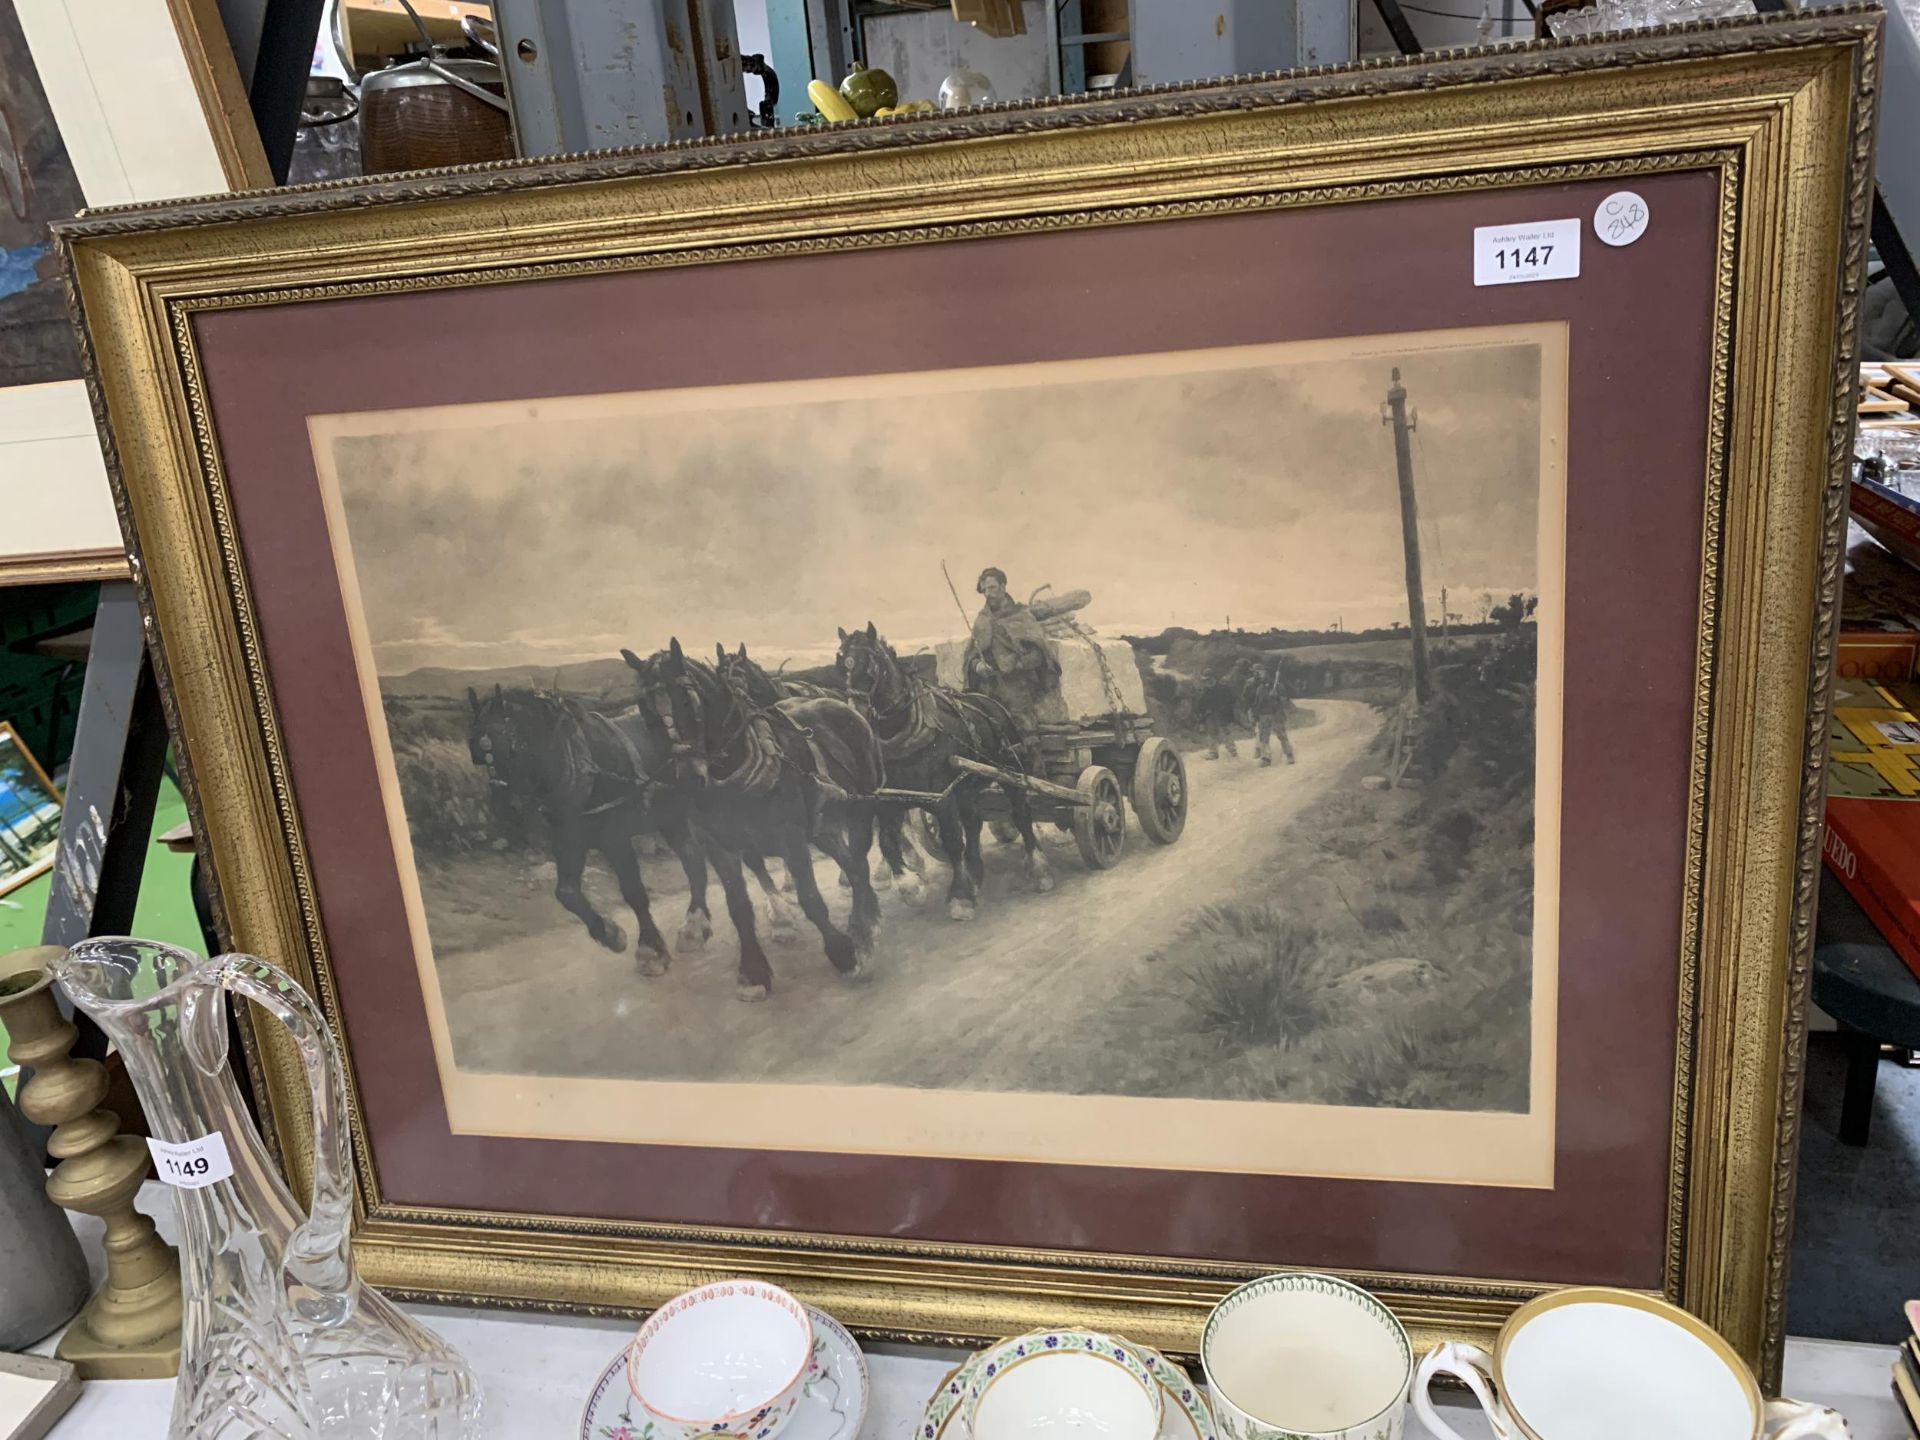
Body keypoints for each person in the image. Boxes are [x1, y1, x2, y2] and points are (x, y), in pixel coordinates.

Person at [964, 567, 1060, 725]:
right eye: (985, 590)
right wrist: (978, 666)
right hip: (987, 688)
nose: (988, 593)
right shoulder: (982, 621)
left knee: (1025, 731)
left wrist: (1016, 664)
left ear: (1002, 587)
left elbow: (1040, 654)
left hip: (1016, 687)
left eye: (992, 588)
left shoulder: (1021, 615)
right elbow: (971, 656)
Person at [1244, 659, 1296, 767]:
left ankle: (1289, 755)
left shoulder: (1276, 685)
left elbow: (1285, 699)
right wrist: (1254, 714)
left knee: (1282, 735)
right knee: (1263, 737)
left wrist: (1277, 695)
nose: (1256, 674)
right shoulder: (1254, 685)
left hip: (1276, 714)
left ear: (1264, 672)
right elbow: (1252, 700)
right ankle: (1266, 758)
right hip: (1263, 715)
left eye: (1258, 672)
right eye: (1254, 672)